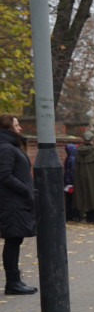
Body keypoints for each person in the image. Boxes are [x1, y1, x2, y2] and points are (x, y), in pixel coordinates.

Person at [0, 115, 36, 295]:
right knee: (13, 241)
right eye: (16, 125)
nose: (20, 128)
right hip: (12, 203)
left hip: (16, 202)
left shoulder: (12, 146)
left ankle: (15, 281)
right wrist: (25, 189)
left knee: (15, 240)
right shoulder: (6, 148)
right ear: (8, 128)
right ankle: (13, 282)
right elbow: (4, 175)